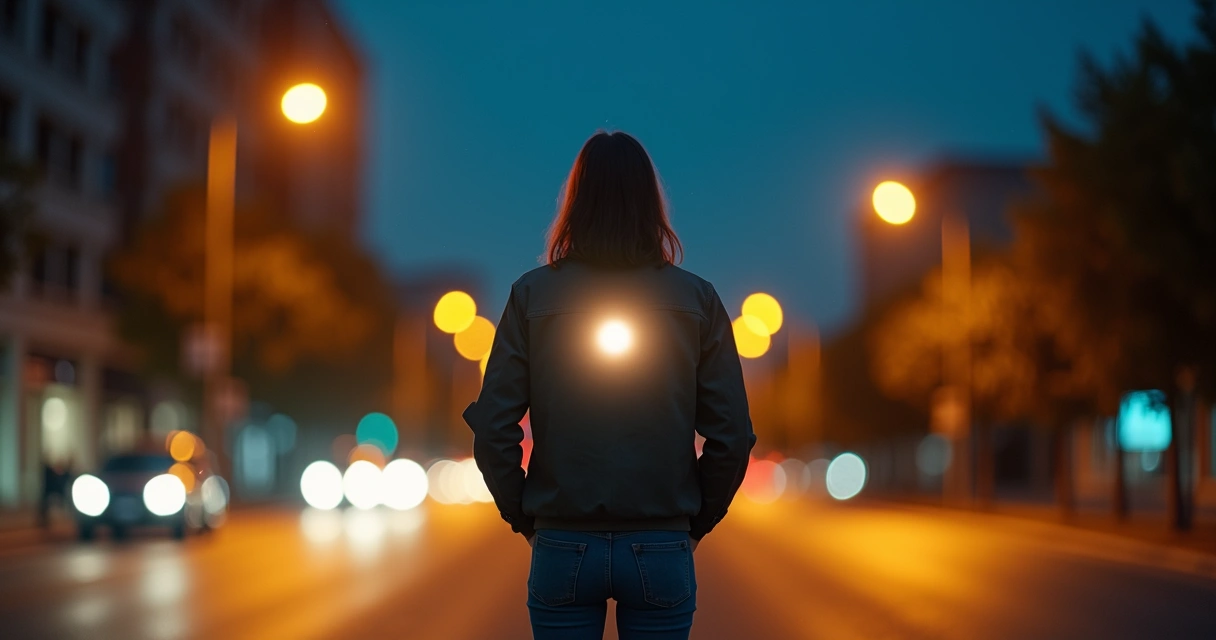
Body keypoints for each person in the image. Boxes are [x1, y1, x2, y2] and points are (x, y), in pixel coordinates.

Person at [464, 130, 756, 639]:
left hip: (562, 541)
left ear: (576, 201)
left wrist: (529, 519)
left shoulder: (531, 296)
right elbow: (732, 436)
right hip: (662, 541)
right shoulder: (698, 300)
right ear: (651, 202)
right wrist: (692, 525)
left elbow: (494, 428)